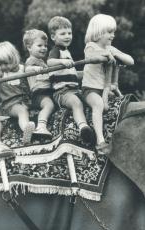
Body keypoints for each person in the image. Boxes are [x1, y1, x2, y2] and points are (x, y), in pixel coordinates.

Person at [82, 14, 134, 154]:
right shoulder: (90, 46)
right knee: (98, 105)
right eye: (109, 32)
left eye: (113, 32)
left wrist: (115, 54)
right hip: (90, 89)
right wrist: (107, 54)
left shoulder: (110, 47)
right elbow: (92, 58)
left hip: (106, 90)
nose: (113, 35)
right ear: (98, 33)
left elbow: (130, 61)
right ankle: (100, 141)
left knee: (123, 104)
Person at [47, 16, 95, 144]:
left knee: (91, 96)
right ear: (53, 37)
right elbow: (50, 62)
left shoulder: (67, 51)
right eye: (62, 34)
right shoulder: (56, 51)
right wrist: (62, 61)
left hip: (75, 89)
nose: (67, 36)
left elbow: (72, 74)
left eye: (69, 33)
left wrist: (88, 73)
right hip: (62, 92)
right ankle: (83, 127)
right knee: (76, 103)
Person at [0, 41, 35, 145]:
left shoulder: (23, 68)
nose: (3, 66)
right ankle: (26, 130)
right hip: (11, 105)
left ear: (14, 59)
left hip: (26, 101)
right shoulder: (0, 72)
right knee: (22, 111)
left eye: (6, 63)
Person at [23, 29, 54, 139]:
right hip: (38, 93)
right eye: (39, 45)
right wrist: (35, 69)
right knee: (49, 105)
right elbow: (27, 69)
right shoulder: (31, 60)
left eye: (45, 45)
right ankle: (41, 125)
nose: (44, 48)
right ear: (29, 47)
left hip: (47, 91)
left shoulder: (42, 61)